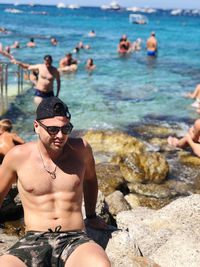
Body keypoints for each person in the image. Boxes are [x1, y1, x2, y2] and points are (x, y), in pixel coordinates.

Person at [0, 96, 111, 267]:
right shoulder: (17, 156)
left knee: (100, 265)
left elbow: (90, 180)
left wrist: (91, 216)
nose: (60, 135)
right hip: (33, 240)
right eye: (52, 129)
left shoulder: (81, 150)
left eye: (66, 129)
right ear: (37, 127)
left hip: (75, 239)